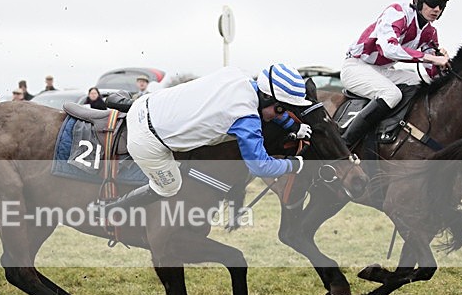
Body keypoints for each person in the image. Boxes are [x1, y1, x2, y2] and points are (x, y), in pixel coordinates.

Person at [105, 64, 312, 211]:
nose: (279, 115)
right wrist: (295, 165)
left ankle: (117, 101)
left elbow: (266, 107)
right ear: (267, 97)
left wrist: (292, 125)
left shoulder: (235, 74)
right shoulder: (246, 119)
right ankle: (111, 209)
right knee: (169, 188)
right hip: (145, 141)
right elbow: (260, 167)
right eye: (281, 109)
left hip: (145, 104)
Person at [340, 0, 453, 147]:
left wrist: (443, 64)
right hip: (356, 67)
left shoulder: (430, 32)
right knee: (392, 94)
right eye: (432, 3)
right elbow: (389, 48)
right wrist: (431, 57)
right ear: (418, 0)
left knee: (423, 83)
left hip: (382, 71)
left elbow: (432, 73)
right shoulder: (397, 12)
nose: (437, 9)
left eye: (442, 5)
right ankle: (345, 143)